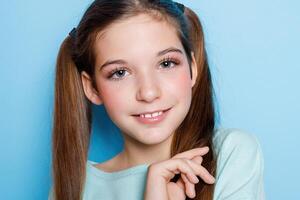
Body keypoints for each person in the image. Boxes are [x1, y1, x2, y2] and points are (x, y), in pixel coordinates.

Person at [49, 0, 265, 199]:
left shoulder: (230, 153)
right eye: (120, 72)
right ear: (92, 87)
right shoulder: (76, 187)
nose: (149, 93)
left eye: (166, 63)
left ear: (192, 67)